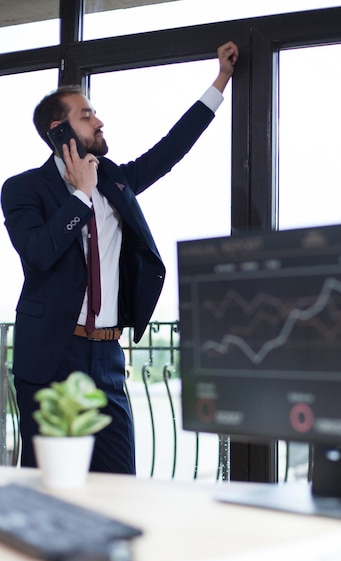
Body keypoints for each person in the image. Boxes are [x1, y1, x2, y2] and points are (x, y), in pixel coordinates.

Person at [1, 41, 239, 474]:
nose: (99, 120)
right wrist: (80, 195)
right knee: (50, 483)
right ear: (59, 130)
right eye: (86, 115)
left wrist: (220, 82)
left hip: (108, 357)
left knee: (120, 481)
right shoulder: (22, 189)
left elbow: (170, 151)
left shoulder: (115, 180)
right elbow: (38, 254)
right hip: (54, 354)